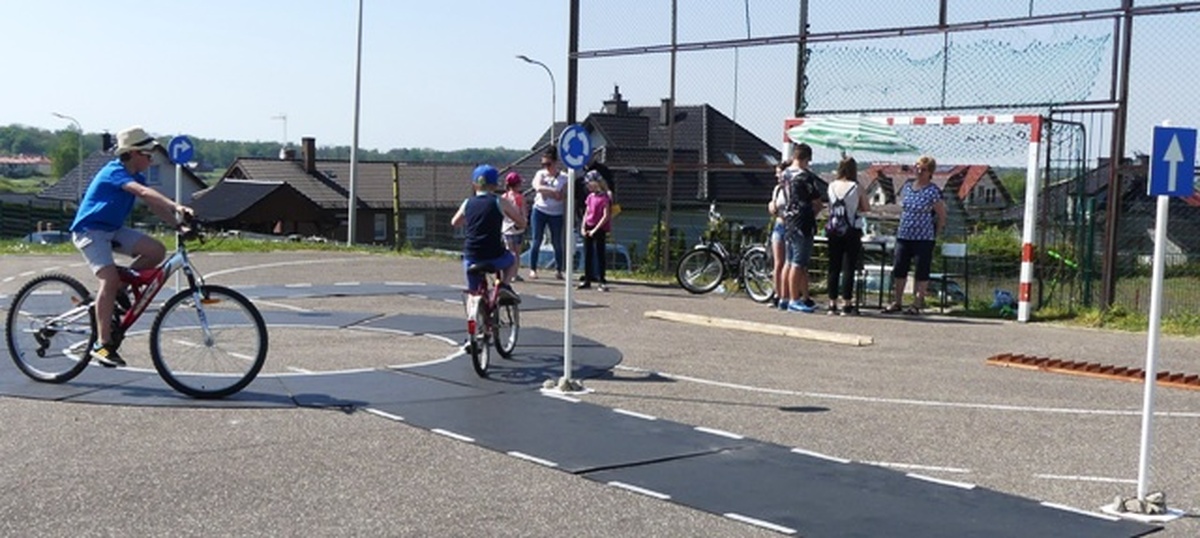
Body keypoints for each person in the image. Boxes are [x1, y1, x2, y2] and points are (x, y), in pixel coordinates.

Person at [69, 126, 194, 367]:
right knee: (109, 279)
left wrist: (179, 226)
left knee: (156, 251)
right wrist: (177, 207)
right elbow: (144, 193)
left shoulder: (136, 175)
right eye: (148, 154)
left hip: (112, 229)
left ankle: (118, 291)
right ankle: (102, 344)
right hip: (90, 230)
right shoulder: (115, 172)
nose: (151, 159)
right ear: (133, 153)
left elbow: (153, 204)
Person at [884, 155, 947, 315]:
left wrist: (936, 234)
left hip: (923, 237)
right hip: (904, 235)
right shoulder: (907, 187)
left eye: (923, 169)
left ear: (930, 172)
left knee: (921, 271)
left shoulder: (933, 191)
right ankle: (897, 301)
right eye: (917, 168)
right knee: (900, 268)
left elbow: (941, 215)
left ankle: (917, 303)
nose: (919, 171)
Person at [451, 164, 527, 296]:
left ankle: (473, 306)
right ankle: (504, 285)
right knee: (512, 258)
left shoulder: (467, 203)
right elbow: (521, 222)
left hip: (472, 256)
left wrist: (470, 219)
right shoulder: (499, 201)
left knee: (473, 293)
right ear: (495, 185)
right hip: (493, 255)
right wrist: (520, 224)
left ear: (474, 184)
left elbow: (454, 222)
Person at [780, 143, 824, 313]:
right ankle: (794, 299)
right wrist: (814, 212)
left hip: (789, 220)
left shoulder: (784, 175)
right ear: (806, 159)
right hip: (803, 222)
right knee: (799, 262)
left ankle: (784, 298)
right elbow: (817, 202)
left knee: (789, 261)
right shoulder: (805, 177)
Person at [824, 156, 871, 316]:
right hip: (851, 230)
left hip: (834, 229)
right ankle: (847, 303)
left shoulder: (831, 186)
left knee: (833, 266)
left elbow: (830, 208)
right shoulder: (856, 187)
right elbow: (866, 207)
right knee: (849, 267)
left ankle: (832, 303)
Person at [528, 149, 567, 280]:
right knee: (536, 240)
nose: (546, 167)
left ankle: (559, 269)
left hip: (556, 213)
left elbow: (561, 196)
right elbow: (538, 187)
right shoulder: (540, 174)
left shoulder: (564, 177)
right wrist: (553, 191)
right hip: (539, 210)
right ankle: (533, 269)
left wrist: (548, 192)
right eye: (543, 164)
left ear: (555, 163)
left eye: (548, 164)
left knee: (557, 241)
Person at [577, 171, 613, 292]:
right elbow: (587, 213)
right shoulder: (590, 197)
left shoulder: (605, 197)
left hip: (599, 228)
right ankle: (587, 279)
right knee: (588, 253)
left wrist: (595, 229)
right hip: (589, 225)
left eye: (589, 183)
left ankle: (602, 280)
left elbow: (605, 215)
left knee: (600, 253)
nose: (588, 186)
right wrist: (583, 227)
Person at [766, 162, 789, 310]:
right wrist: (771, 206)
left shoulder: (792, 188)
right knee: (778, 262)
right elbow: (773, 206)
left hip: (790, 226)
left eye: (779, 172)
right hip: (779, 225)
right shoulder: (777, 189)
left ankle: (788, 294)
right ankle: (777, 294)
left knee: (790, 262)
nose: (777, 175)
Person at [501, 171, 527, 282]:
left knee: (509, 252)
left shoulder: (503, 197)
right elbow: (524, 213)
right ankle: (514, 274)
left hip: (506, 228)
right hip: (518, 228)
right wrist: (523, 222)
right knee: (517, 253)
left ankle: (508, 273)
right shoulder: (520, 197)